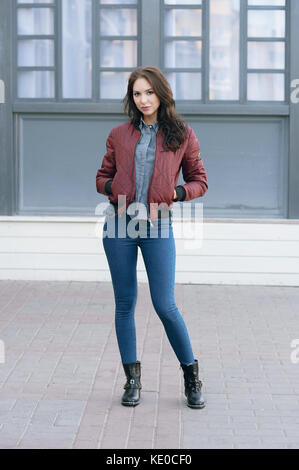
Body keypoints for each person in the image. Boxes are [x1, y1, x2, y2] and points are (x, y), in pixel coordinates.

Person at [96, 66, 208, 409]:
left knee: (165, 304)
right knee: (124, 304)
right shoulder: (119, 134)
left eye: (148, 92)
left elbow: (200, 181)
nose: (143, 99)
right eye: (136, 94)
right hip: (120, 225)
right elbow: (102, 178)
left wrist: (174, 194)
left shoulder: (182, 134)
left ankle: (191, 377)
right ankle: (132, 380)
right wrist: (115, 188)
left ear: (161, 94)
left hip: (158, 225)